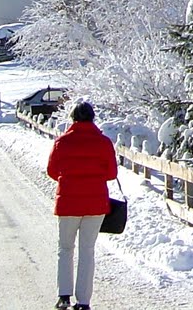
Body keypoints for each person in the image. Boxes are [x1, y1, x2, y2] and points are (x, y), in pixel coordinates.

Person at [46, 100, 118, 310]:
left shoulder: (62, 142)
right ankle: (84, 301)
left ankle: (64, 296)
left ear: (73, 118)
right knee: (87, 250)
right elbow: (112, 173)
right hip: (95, 203)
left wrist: (68, 178)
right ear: (92, 118)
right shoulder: (103, 142)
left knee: (65, 248)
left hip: (68, 202)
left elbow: (52, 170)